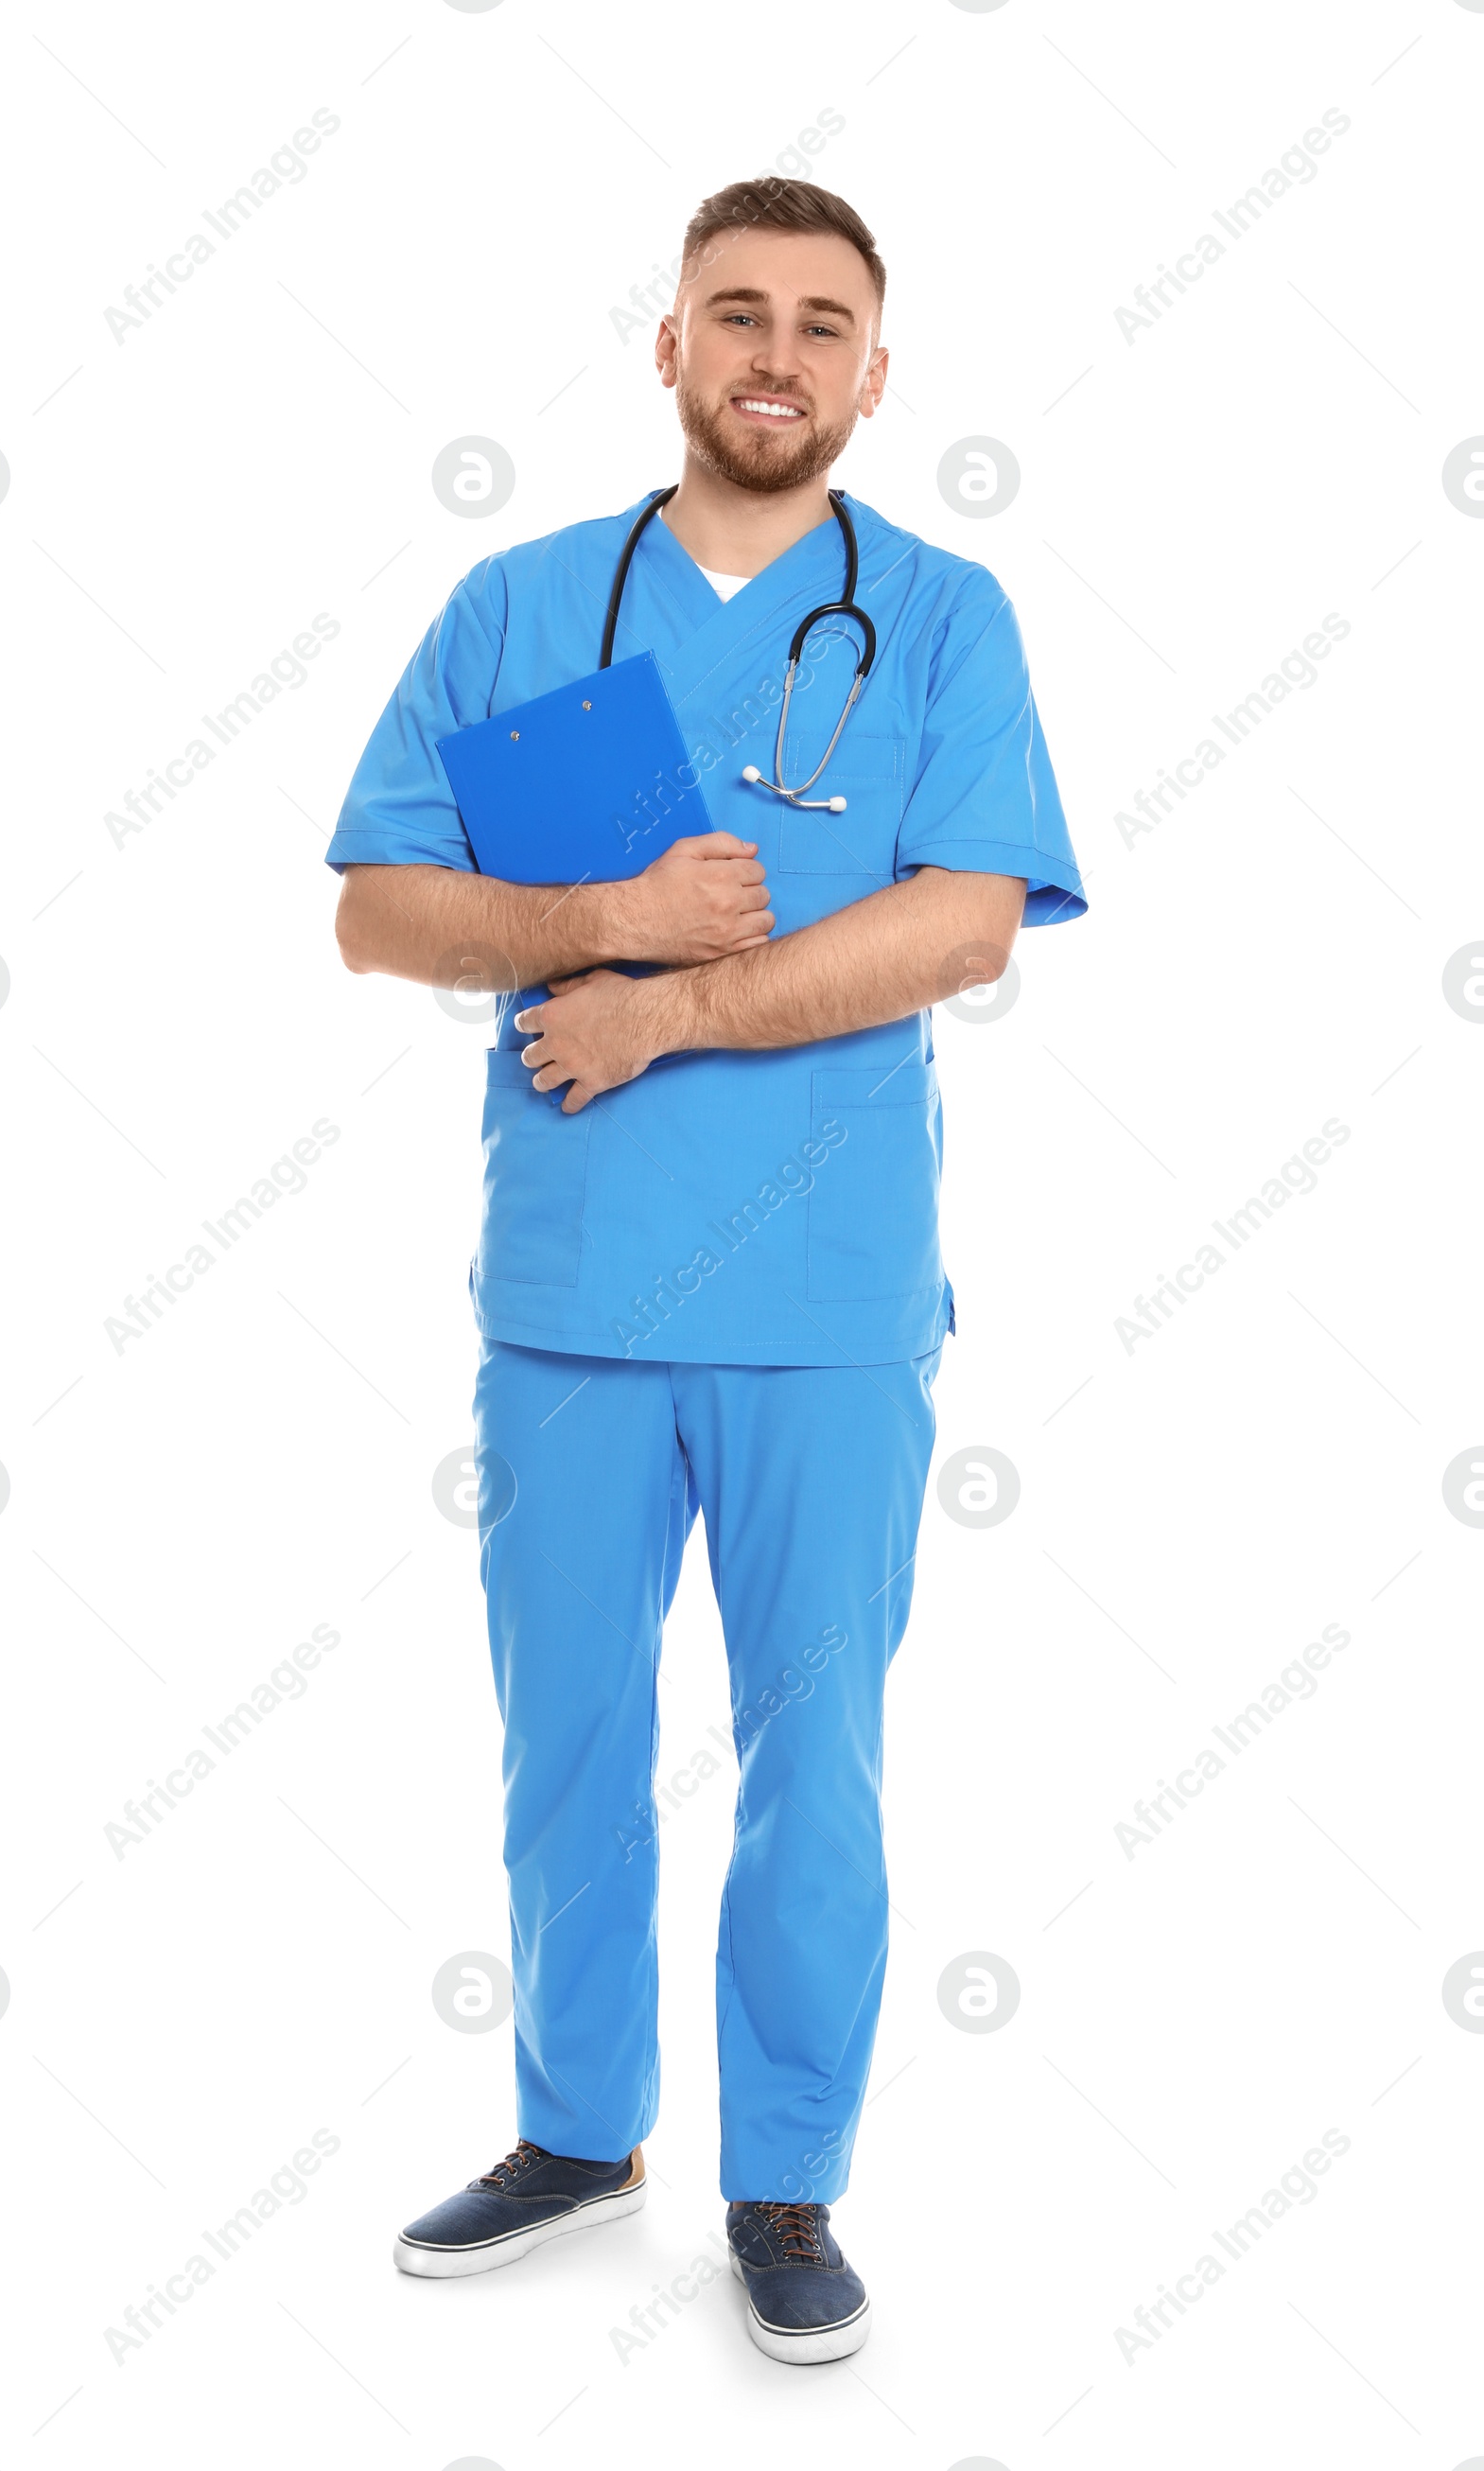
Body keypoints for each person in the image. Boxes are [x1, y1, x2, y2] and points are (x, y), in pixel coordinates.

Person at [329, 176, 1084, 2365]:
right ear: (664, 347)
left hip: (829, 1308)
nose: (773, 351)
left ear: (869, 374)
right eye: (731, 311)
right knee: (561, 1738)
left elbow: (957, 921)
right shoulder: (518, 606)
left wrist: (669, 1011)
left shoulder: (939, 619)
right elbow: (379, 906)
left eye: (819, 323)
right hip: (566, 1296)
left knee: (810, 1750)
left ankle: (784, 2179)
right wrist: (600, 923)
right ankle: (578, 2132)